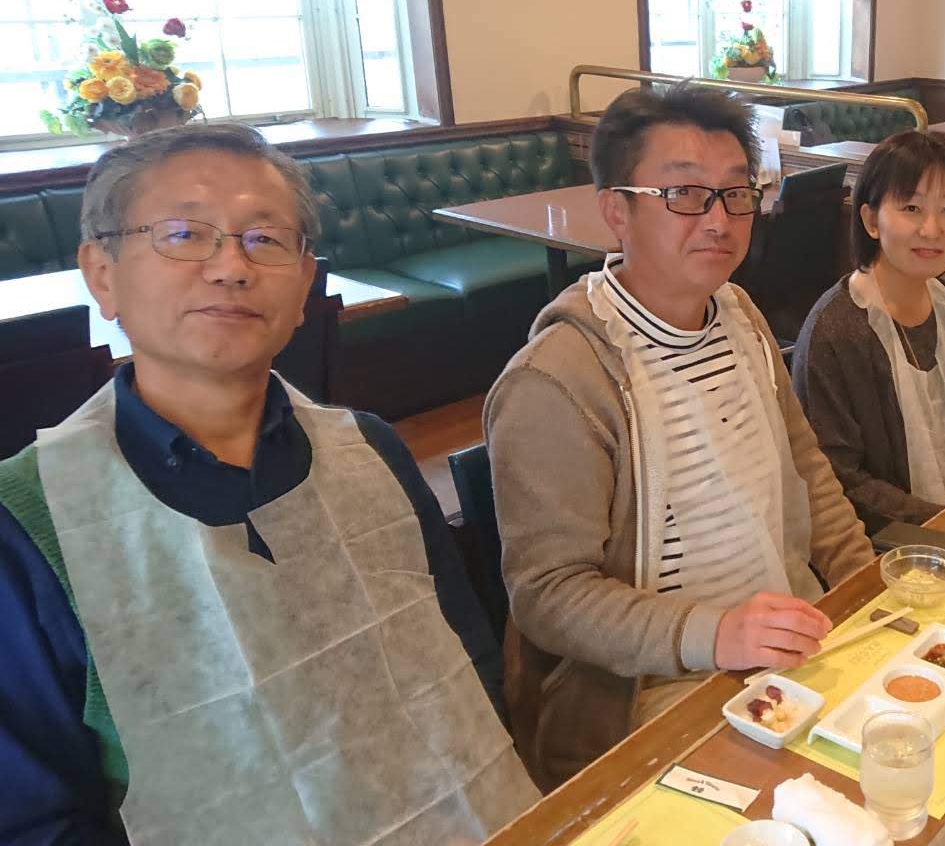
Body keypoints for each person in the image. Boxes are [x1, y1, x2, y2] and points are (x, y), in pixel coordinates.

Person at [0, 124, 536, 844]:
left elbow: (466, 660)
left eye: (265, 239)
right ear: (102, 273)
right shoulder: (29, 525)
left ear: (305, 282)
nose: (231, 267)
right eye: (184, 234)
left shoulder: (369, 448)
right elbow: (35, 821)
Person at [485, 85, 874, 787]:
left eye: (736, 193)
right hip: (652, 699)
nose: (719, 219)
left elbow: (806, 470)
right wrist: (717, 635)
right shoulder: (558, 380)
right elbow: (548, 595)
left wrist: (865, 587)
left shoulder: (740, 315)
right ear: (616, 211)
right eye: (685, 194)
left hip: (785, 654)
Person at [791, 131, 945, 535]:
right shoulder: (837, 329)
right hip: (883, 542)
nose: (932, 228)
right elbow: (840, 478)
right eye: (911, 207)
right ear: (871, 220)